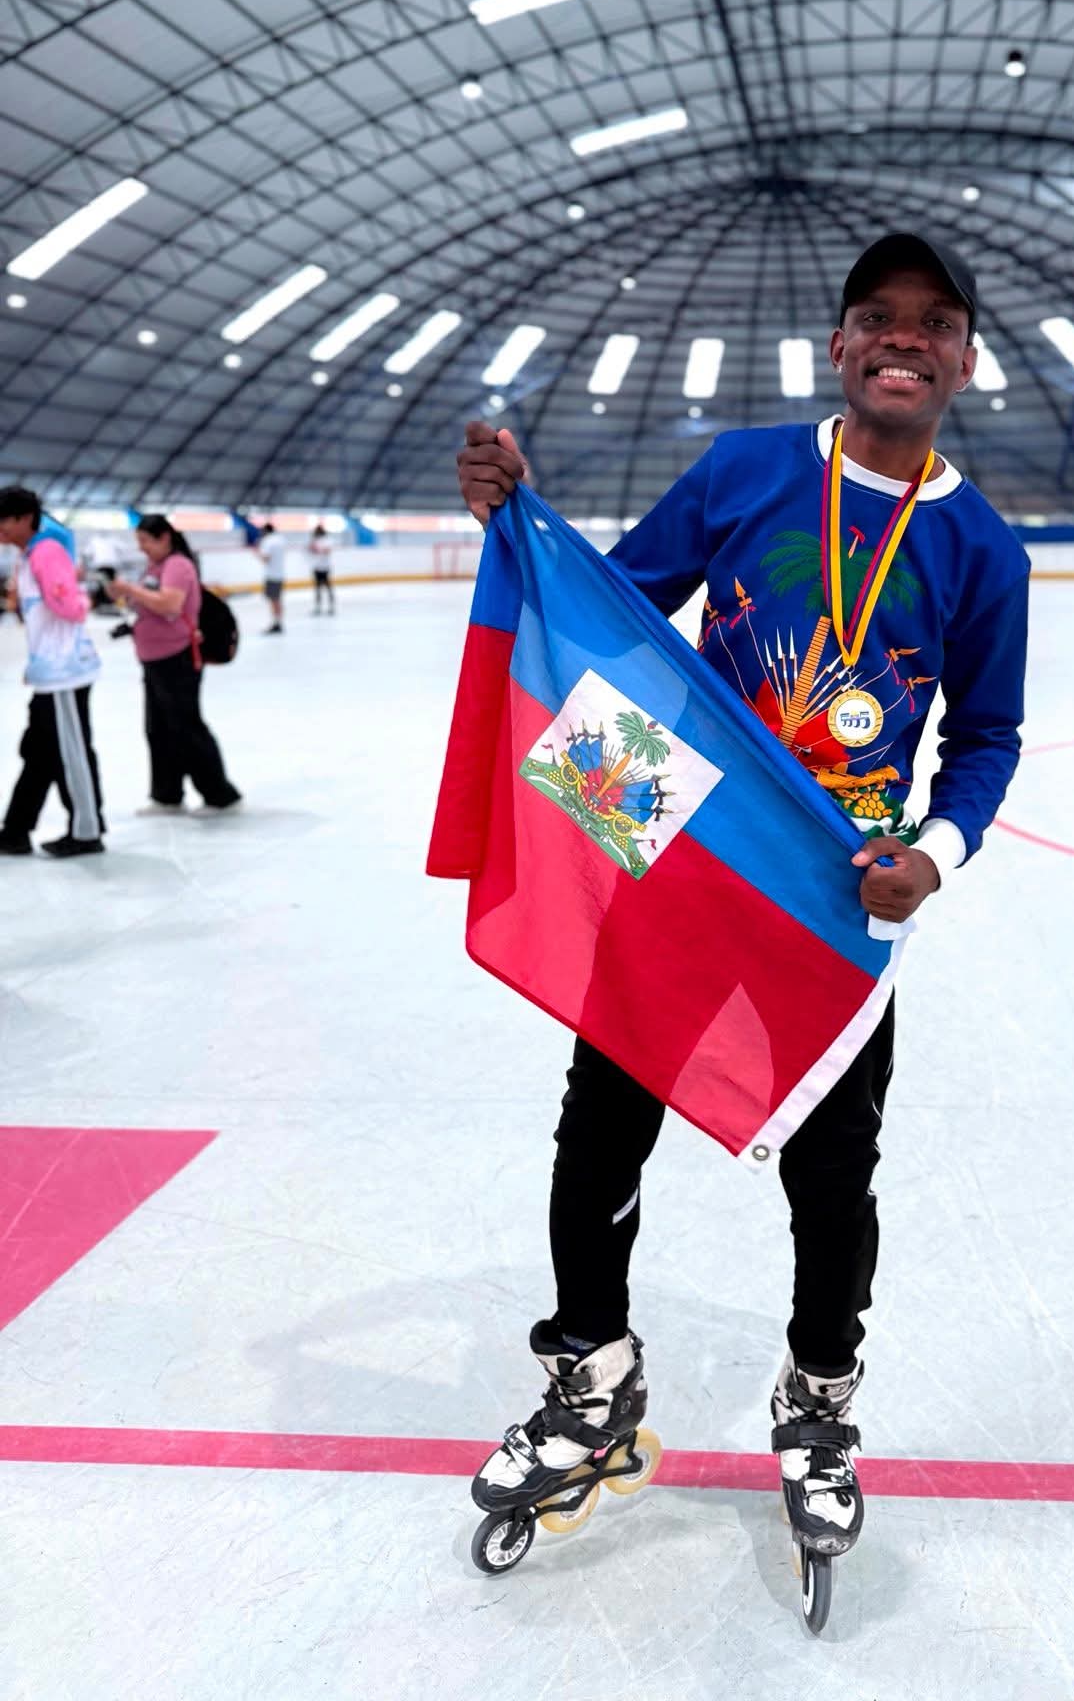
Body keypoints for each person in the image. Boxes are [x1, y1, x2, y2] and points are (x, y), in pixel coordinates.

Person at [454, 232, 1030, 1580]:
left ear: (965, 360)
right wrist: (514, 524)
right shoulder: (745, 470)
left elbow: (987, 737)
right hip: (684, 869)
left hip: (832, 904)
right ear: (839, 345)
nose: (903, 338)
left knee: (833, 1179)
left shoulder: (984, 550)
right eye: (877, 317)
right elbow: (613, 610)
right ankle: (591, 1375)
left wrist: (934, 853)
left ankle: (818, 1401)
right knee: (600, 1130)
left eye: (934, 323)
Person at [110, 514, 241, 816]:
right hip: (153, 659)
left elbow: (170, 604)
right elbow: (148, 602)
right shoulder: (155, 567)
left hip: (177, 658)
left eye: (145, 540)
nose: (141, 547)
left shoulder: (178, 565)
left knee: (186, 727)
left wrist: (131, 589)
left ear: (164, 538)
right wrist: (126, 595)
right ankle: (167, 794)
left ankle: (219, 794)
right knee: (158, 729)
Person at [0, 486, 106, 858]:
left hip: (65, 672)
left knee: (70, 750)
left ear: (26, 518)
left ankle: (87, 831)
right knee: (39, 749)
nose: (0, 529)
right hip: (49, 670)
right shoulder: (30, 555)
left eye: (4, 520)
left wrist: (71, 595)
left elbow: (71, 608)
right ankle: (15, 830)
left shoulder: (46, 552)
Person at [258, 521, 286, 634]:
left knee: (274, 600)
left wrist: (258, 554)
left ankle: (276, 623)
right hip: (280, 573)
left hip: (271, 574)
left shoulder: (267, 541)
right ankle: (278, 622)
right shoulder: (280, 539)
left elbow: (266, 558)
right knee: (277, 600)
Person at [308, 523, 337, 615]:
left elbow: (327, 550)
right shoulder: (315, 540)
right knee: (317, 588)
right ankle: (318, 607)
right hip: (317, 566)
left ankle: (331, 607)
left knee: (328, 588)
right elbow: (311, 550)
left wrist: (318, 549)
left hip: (325, 567)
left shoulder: (327, 540)